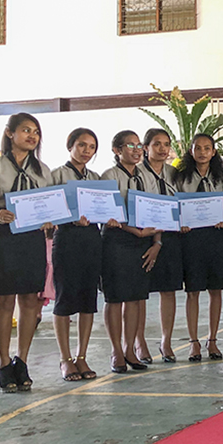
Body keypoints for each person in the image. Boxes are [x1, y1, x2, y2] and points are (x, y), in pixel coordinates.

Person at [0, 113, 53, 392]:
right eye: (26, 130)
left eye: (36, 132)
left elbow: (48, 204)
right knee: (5, 301)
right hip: (3, 235)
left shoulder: (42, 170)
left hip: (32, 237)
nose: (32, 136)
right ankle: (2, 363)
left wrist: (49, 220)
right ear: (10, 133)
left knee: (30, 301)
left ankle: (21, 360)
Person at [51, 128, 108, 381]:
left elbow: (105, 208)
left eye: (92, 147)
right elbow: (48, 209)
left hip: (92, 239)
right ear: (70, 145)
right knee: (64, 299)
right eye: (82, 145)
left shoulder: (96, 178)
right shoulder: (56, 175)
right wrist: (70, 218)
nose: (87, 151)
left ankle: (82, 356)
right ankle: (65, 359)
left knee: (88, 299)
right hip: (66, 240)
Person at [101, 131, 159, 374]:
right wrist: (128, 228)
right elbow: (103, 210)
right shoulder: (109, 176)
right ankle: (116, 351)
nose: (136, 150)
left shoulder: (147, 176)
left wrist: (157, 243)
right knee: (115, 298)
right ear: (117, 150)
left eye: (139, 146)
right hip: (116, 240)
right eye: (130, 145)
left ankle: (129, 349)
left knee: (136, 297)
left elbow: (158, 210)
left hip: (143, 242)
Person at [173, 134, 223, 362]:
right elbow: (175, 205)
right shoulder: (181, 177)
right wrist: (181, 223)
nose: (203, 152)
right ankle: (194, 341)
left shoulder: (222, 178)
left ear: (214, 152)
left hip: (215, 237)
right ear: (191, 150)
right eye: (198, 148)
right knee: (193, 291)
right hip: (191, 238)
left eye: (207, 148)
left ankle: (213, 340)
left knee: (215, 289)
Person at [139, 128, 182, 364]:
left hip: (171, 237)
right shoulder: (138, 173)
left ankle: (166, 341)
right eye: (157, 144)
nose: (163, 149)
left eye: (166, 144)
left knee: (168, 290)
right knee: (140, 292)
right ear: (146, 148)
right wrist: (155, 240)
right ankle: (139, 341)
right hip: (142, 236)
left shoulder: (174, 173)